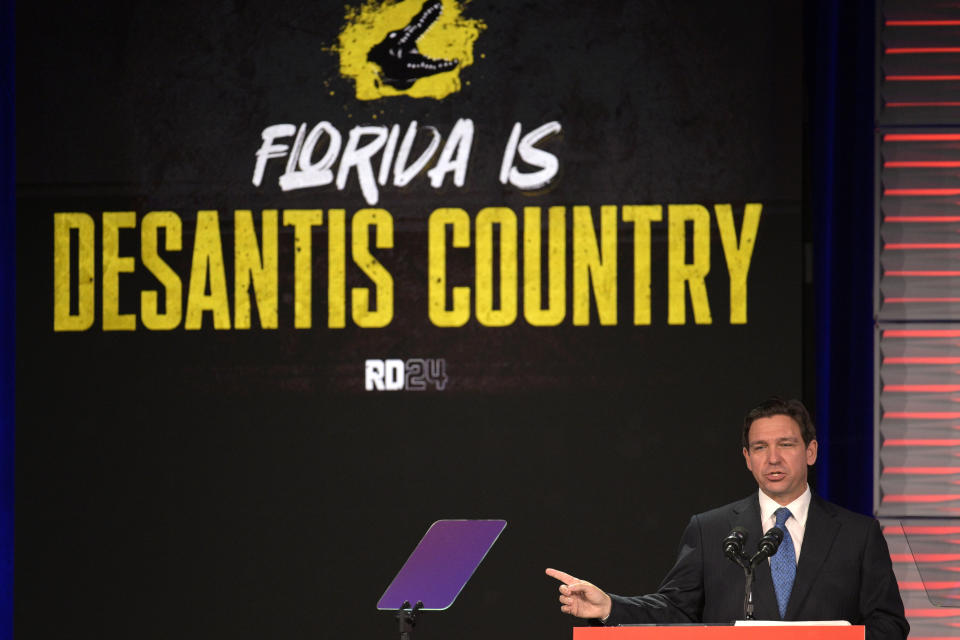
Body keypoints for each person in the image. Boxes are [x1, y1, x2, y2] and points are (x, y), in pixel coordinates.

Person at [546, 398, 908, 640]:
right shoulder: (711, 529)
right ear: (747, 458)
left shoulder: (858, 534)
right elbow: (675, 608)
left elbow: (889, 625)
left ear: (810, 451)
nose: (773, 459)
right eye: (760, 448)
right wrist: (610, 605)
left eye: (786, 444)